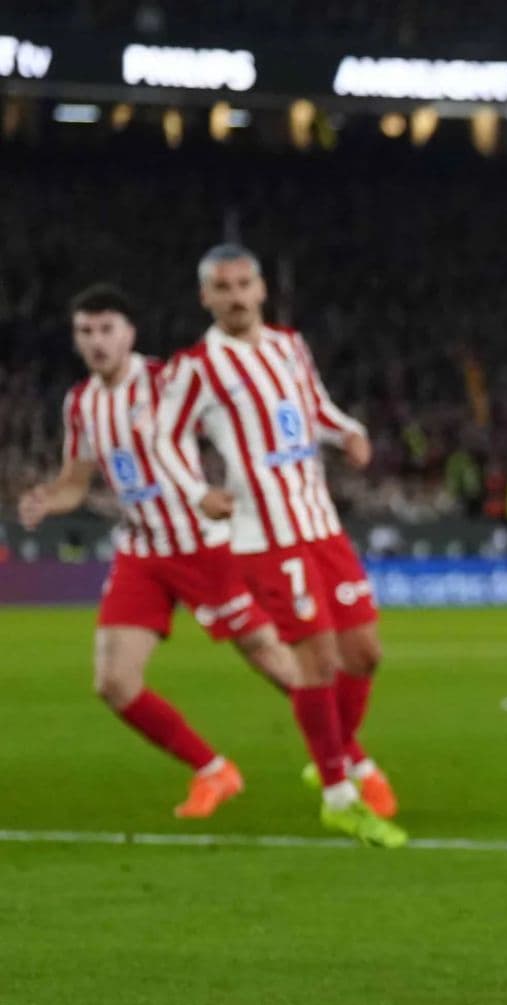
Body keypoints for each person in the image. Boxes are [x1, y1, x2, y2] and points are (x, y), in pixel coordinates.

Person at [18, 283, 302, 819]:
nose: (97, 341)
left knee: (273, 661)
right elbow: (76, 482)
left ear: (130, 333)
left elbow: (233, 419)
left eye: (107, 329)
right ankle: (214, 771)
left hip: (202, 545)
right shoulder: (80, 403)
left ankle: (345, 762)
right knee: (114, 682)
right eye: (86, 331)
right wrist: (46, 500)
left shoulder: (168, 380)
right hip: (142, 552)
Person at [153, 244, 404, 846]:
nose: (236, 296)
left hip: (321, 525)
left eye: (244, 284)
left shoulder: (289, 345)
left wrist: (350, 433)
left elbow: (314, 408)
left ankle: (331, 757)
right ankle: (340, 794)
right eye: (223, 287)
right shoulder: (196, 368)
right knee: (315, 661)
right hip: (265, 537)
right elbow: (163, 439)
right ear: (205, 297)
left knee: (365, 651)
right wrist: (197, 491)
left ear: (261, 288)